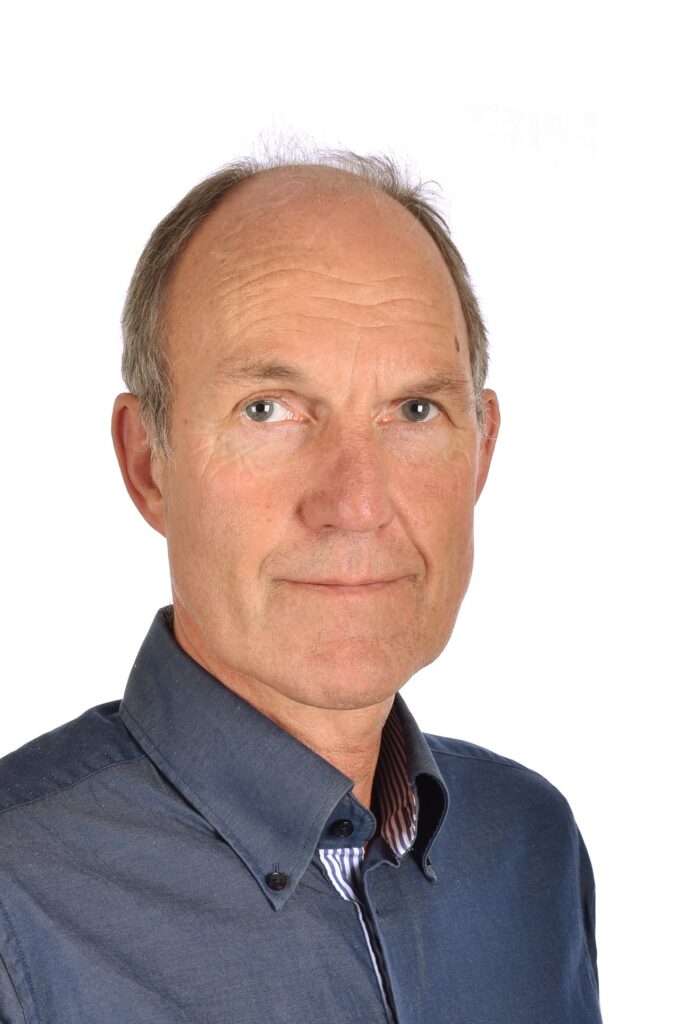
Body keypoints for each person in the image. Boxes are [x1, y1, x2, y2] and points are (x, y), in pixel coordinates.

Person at [0, 152, 602, 1024]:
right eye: (267, 410)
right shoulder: (17, 902)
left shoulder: (529, 850)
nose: (355, 504)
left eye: (415, 410)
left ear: (481, 450)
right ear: (148, 463)